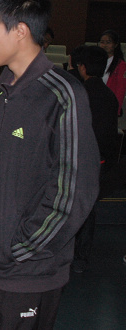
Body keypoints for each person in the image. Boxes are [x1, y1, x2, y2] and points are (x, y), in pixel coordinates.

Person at [0, 0, 100, 329]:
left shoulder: (61, 94)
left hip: (23, 276)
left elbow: (75, 192)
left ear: (20, 30)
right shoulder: (6, 89)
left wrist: (19, 249)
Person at [71, 45, 119, 273]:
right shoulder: (110, 96)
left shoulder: (79, 94)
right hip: (99, 160)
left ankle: (70, 252)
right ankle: (82, 256)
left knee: (71, 206)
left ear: (82, 67)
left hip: (78, 158)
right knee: (88, 208)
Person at [98, 29, 126, 114]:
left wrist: (115, 111)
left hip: (109, 106)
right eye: (102, 42)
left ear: (115, 45)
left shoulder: (121, 65)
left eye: (108, 42)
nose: (104, 45)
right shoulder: (95, 61)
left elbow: (120, 91)